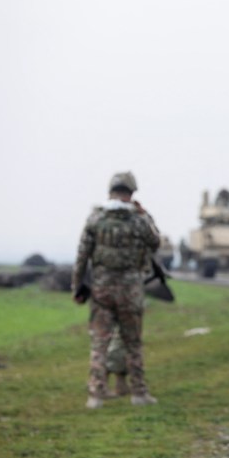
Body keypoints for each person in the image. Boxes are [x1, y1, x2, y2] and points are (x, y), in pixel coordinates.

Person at [72, 171, 161, 409]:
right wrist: (146, 214)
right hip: (130, 291)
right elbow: (155, 242)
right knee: (133, 343)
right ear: (131, 193)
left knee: (99, 343)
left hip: (102, 291)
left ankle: (95, 395)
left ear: (110, 191)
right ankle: (139, 393)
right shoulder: (139, 220)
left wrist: (77, 287)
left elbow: (82, 257)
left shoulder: (96, 218)